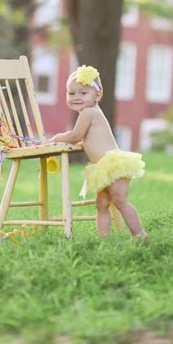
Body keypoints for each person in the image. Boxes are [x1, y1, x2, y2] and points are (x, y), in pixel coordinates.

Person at [47, 65, 148, 239]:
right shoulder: (89, 112)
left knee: (120, 201)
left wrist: (57, 137)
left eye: (83, 93)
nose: (76, 97)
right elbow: (85, 138)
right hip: (103, 168)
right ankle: (104, 240)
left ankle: (139, 234)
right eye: (71, 93)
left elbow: (75, 135)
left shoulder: (88, 112)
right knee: (102, 204)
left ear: (98, 95)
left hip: (113, 165)